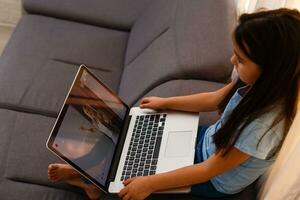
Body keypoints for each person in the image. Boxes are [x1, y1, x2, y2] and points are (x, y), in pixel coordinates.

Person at [48, 8, 300, 200]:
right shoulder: (257, 84)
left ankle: (95, 185)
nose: (232, 60)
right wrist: (166, 102)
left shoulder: (262, 127)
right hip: (207, 142)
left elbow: (209, 170)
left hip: (214, 180)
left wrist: (151, 184)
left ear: (271, 69)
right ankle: (93, 174)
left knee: (133, 183)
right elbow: (214, 99)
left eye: (241, 59)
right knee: (130, 134)